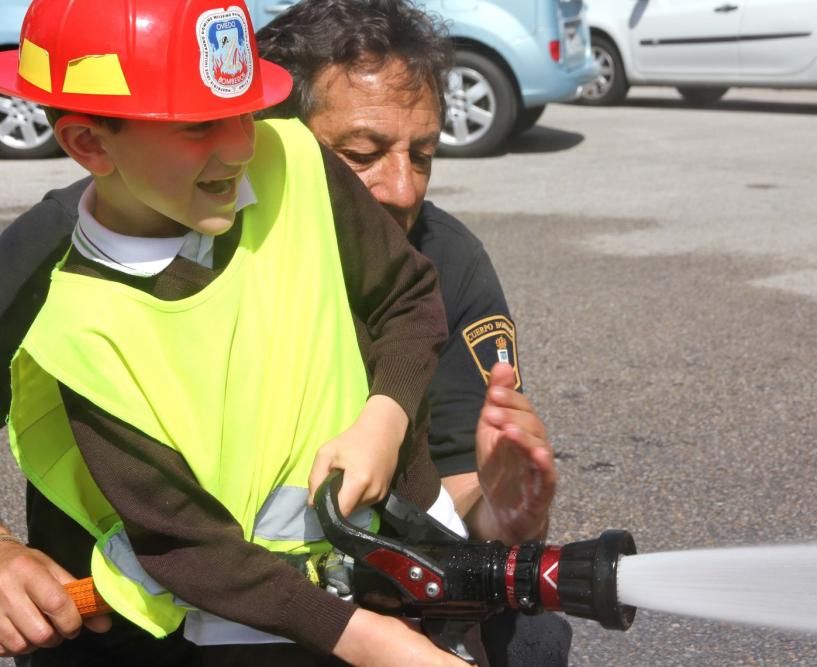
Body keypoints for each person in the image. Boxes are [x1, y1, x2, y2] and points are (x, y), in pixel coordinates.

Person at [0, 0, 565, 664]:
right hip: (155, 632)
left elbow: (455, 476)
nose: (402, 189)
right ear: (90, 144)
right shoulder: (55, 284)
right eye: (361, 152)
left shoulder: (409, 234)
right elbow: (183, 544)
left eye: (426, 153)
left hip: (369, 610)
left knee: (531, 637)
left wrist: (503, 511)